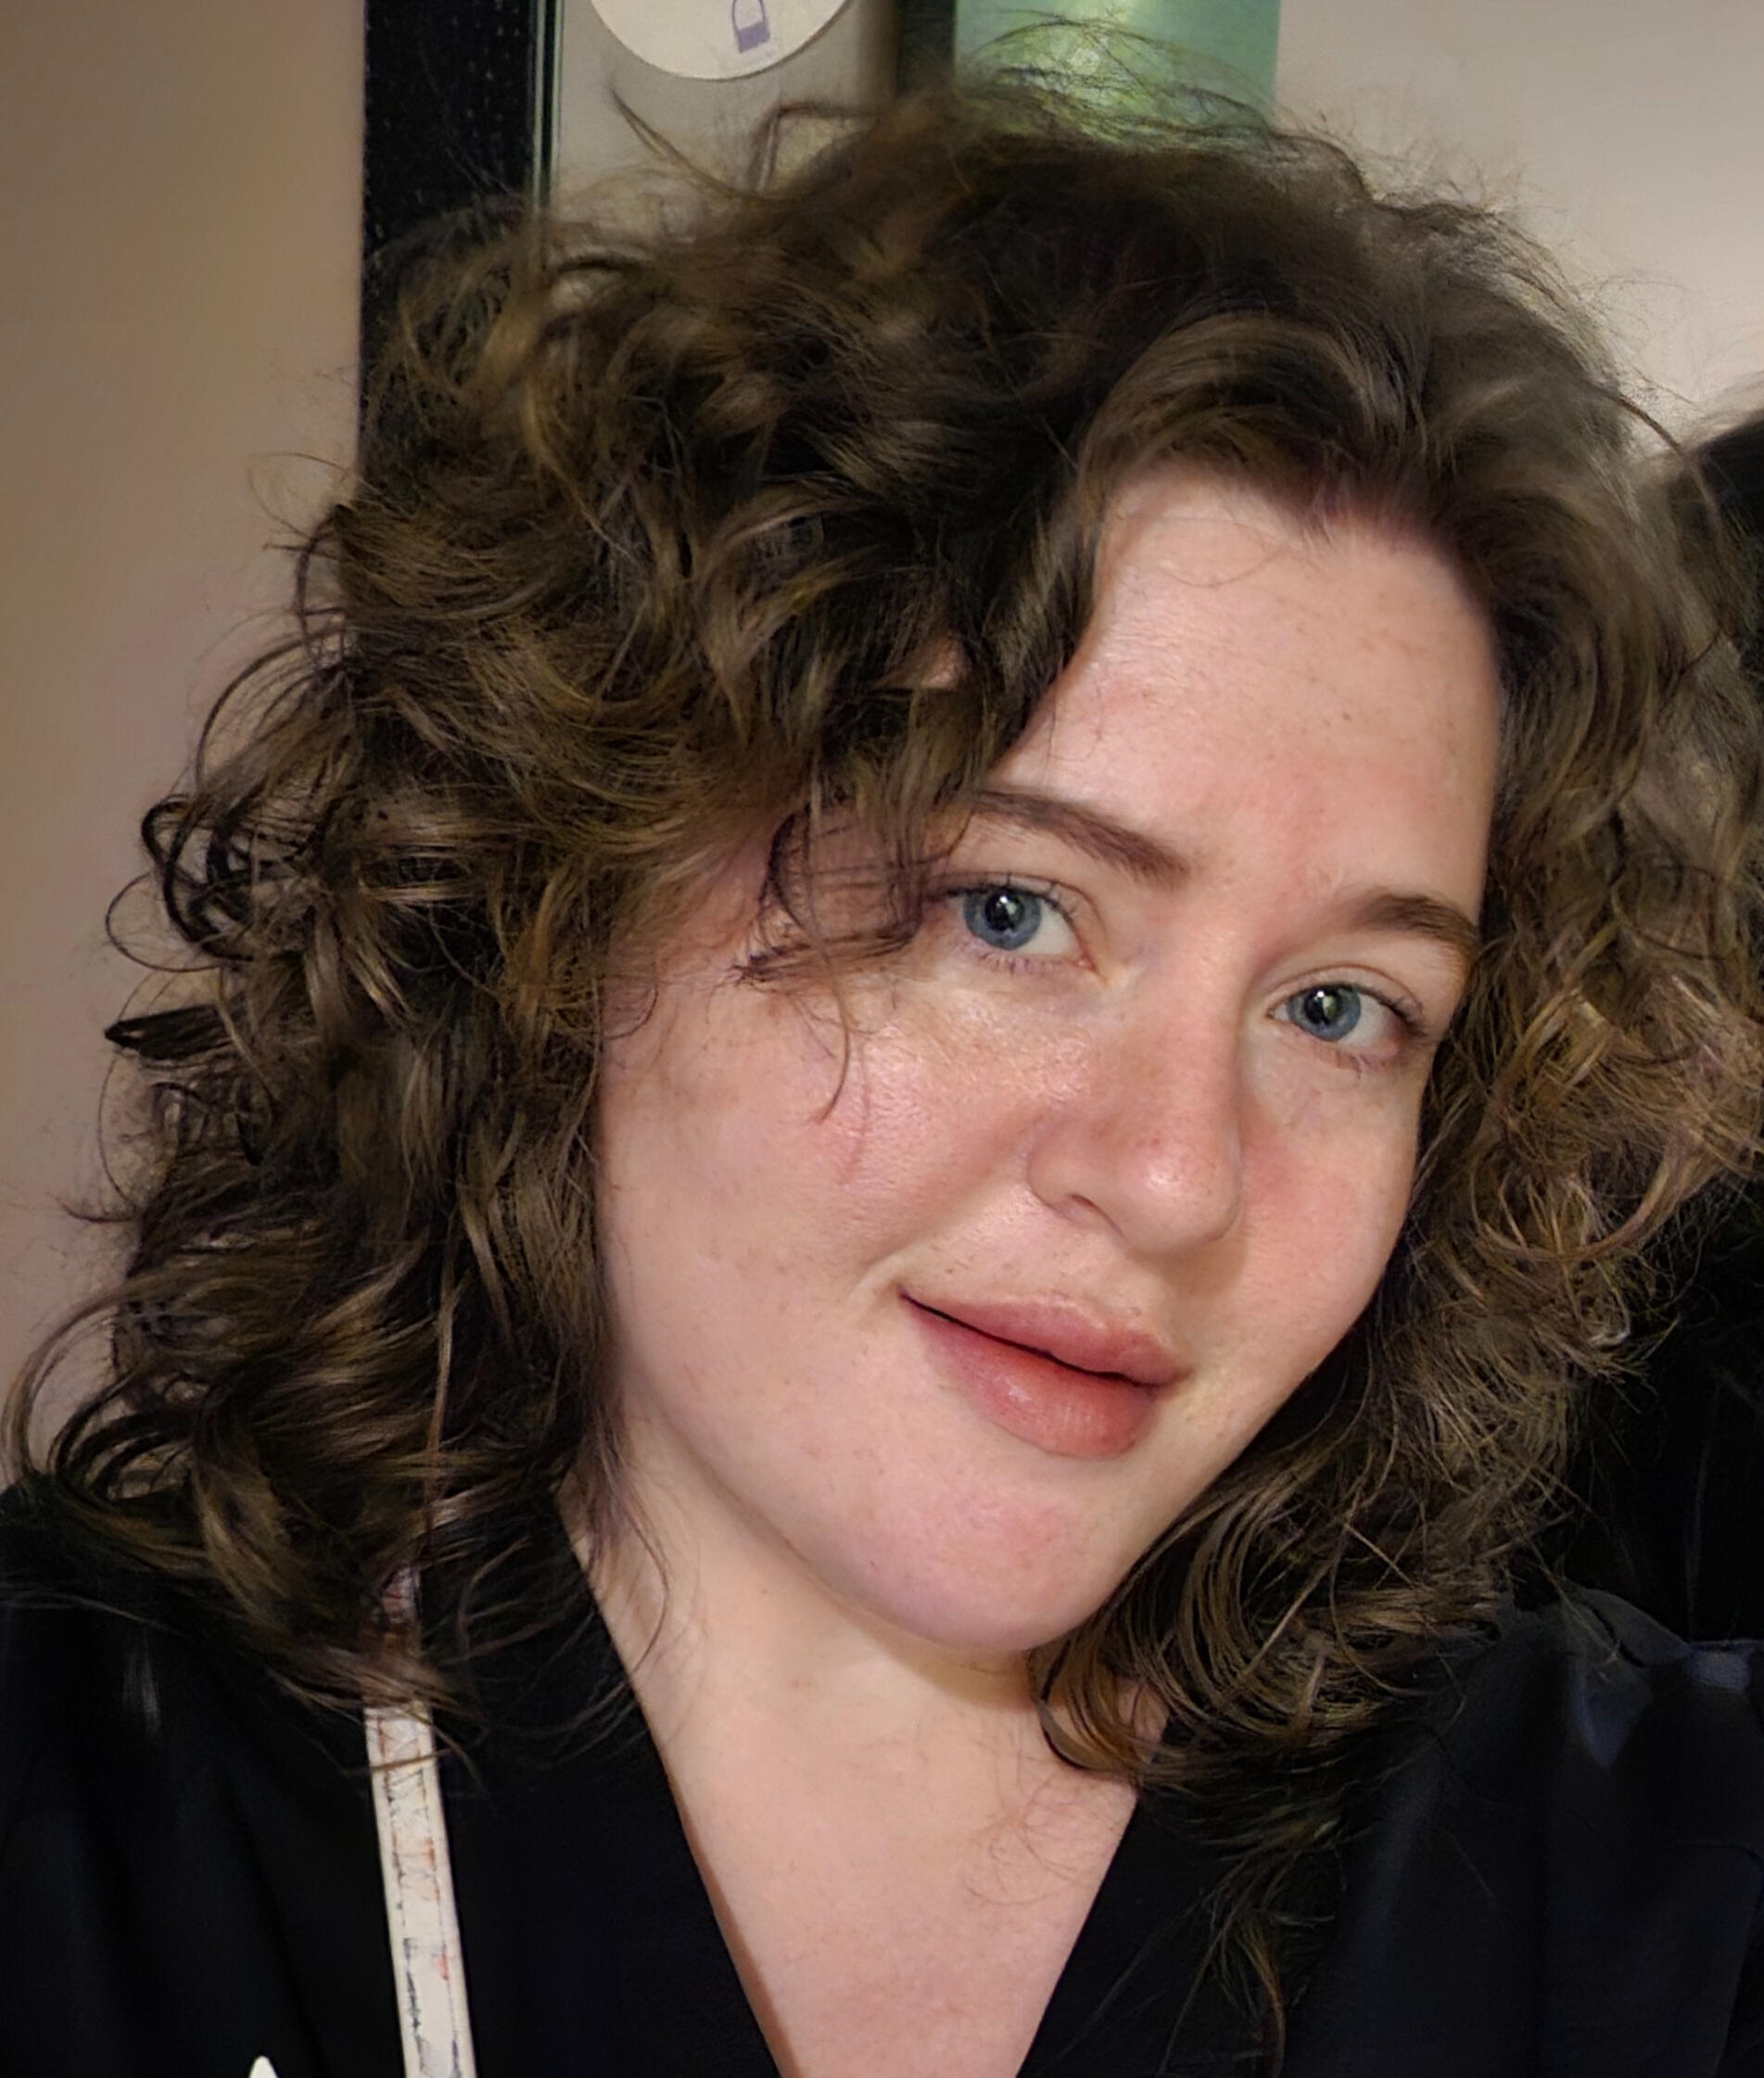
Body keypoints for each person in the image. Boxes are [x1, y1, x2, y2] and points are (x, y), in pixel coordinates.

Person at [5, 75, 1764, 2078]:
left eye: (1340, 1008)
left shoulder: (1662, 1891)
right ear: (567, 881)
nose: (1176, 1176)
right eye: (1010, 911)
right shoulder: (89, 1822)